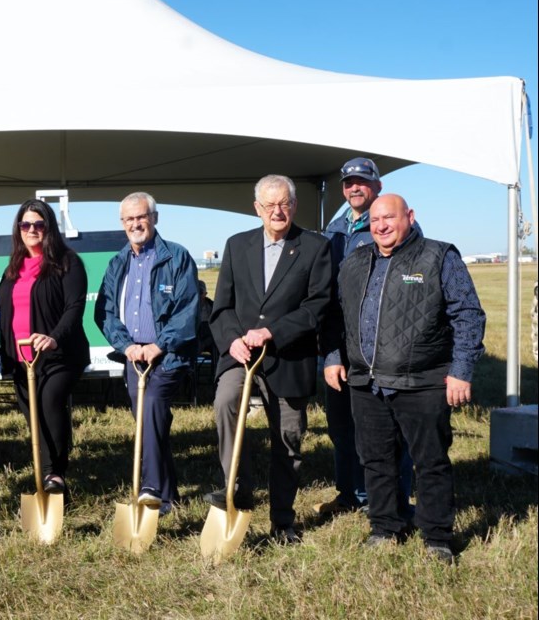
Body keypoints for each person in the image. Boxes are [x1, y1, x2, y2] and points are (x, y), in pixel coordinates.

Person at [324, 194, 485, 562]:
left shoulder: (439, 256)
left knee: (430, 460)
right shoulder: (355, 261)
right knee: (375, 459)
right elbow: (335, 315)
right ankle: (385, 526)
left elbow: (468, 315)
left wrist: (461, 371)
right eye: (375, 219)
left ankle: (437, 537)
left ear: (409, 217)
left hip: (423, 380)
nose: (381, 225)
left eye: (389, 218)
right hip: (365, 381)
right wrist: (333, 357)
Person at [205, 174, 332, 544]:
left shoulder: (314, 247)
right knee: (226, 402)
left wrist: (272, 331)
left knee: (288, 437)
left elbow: (317, 305)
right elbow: (222, 307)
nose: (278, 211)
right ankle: (236, 490)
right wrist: (232, 341)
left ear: (294, 205)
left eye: (285, 204)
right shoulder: (237, 245)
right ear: (257, 208)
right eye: (270, 205)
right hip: (241, 357)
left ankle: (282, 520)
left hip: (288, 357)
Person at [316, 157, 413, 517]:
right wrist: (330, 354)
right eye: (348, 183)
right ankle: (349, 494)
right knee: (341, 427)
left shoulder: (389, 225)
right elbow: (325, 294)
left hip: (381, 345)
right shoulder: (334, 229)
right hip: (341, 342)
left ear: (377, 186)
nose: (354, 188)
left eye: (362, 181)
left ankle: (391, 500)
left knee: (387, 431)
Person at [95, 191, 199, 515]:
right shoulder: (117, 263)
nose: (136, 223)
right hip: (133, 358)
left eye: (142, 216)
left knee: (151, 410)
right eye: (129, 219)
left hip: (167, 356)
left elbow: (188, 310)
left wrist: (160, 344)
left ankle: (150, 489)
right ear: (122, 223)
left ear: (154, 218)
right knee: (152, 424)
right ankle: (170, 497)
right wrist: (126, 346)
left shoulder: (177, 258)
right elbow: (105, 312)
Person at [0, 199, 89, 498]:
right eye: (26, 224)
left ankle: (55, 475)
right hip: (21, 358)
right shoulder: (13, 268)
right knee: (31, 413)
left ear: (49, 227)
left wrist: (54, 337)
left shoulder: (67, 261)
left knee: (50, 401)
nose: (32, 229)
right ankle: (46, 469)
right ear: (18, 229)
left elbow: (74, 307)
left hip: (59, 355)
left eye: (39, 224)